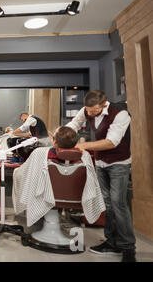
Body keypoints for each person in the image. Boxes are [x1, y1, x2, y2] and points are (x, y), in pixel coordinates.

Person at [66, 90, 136, 262]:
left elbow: (111, 142)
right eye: (88, 110)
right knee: (108, 205)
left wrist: (84, 145)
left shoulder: (120, 114)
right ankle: (111, 242)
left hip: (119, 163)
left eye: (94, 110)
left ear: (104, 104)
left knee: (119, 204)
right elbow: (74, 124)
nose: (89, 114)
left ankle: (128, 248)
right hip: (101, 163)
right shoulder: (87, 110)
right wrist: (63, 134)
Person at [12, 126, 105, 228]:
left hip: (45, 197)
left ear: (55, 141)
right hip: (75, 198)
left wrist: (17, 172)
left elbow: (22, 174)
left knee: (19, 174)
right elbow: (91, 182)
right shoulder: (85, 155)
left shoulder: (40, 153)